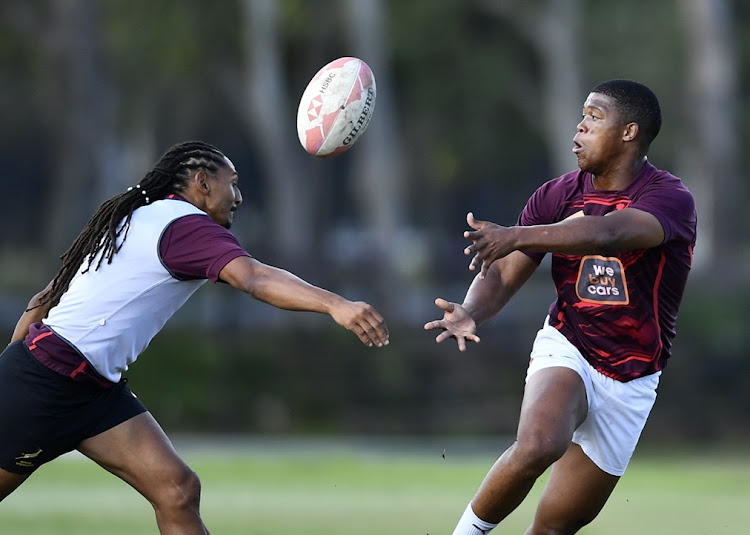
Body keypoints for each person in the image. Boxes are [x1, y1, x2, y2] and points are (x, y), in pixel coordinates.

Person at [0, 140, 389, 534]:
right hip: (45, 380)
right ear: (202, 183)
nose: (237, 196)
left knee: (177, 490)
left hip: (93, 390)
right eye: (232, 184)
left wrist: (12, 366)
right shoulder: (185, 225)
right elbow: (254, 278)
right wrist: (335, 304)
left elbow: (46, 296)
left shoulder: (139, 216)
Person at [425, 79, 696, 534]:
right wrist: (473, 310)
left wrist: (516, 233)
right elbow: (504, 273)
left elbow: (608, 234)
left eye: (594, 116)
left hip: (634, 376)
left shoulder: (670, 199)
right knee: (538, 445)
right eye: (581, 115)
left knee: (552, 528)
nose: (579, 126)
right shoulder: (557, 194)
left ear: (629, 132)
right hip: (569, 343)